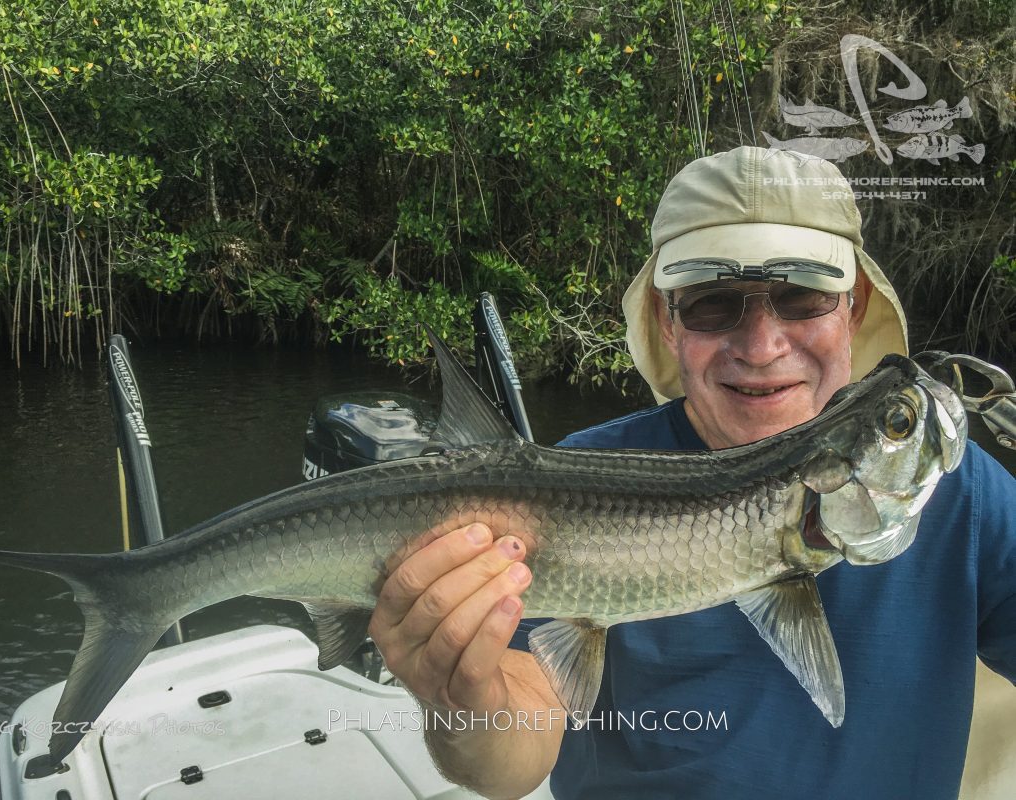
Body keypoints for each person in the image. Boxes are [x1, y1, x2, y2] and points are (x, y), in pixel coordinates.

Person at [367, 146, 1016, 799]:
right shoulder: (562, 488)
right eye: (711, 303)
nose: (762, 347)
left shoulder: (962, 494)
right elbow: (513, 759)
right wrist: (459, 694)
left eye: (801, 298)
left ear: (852, 308)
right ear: (665, 321)